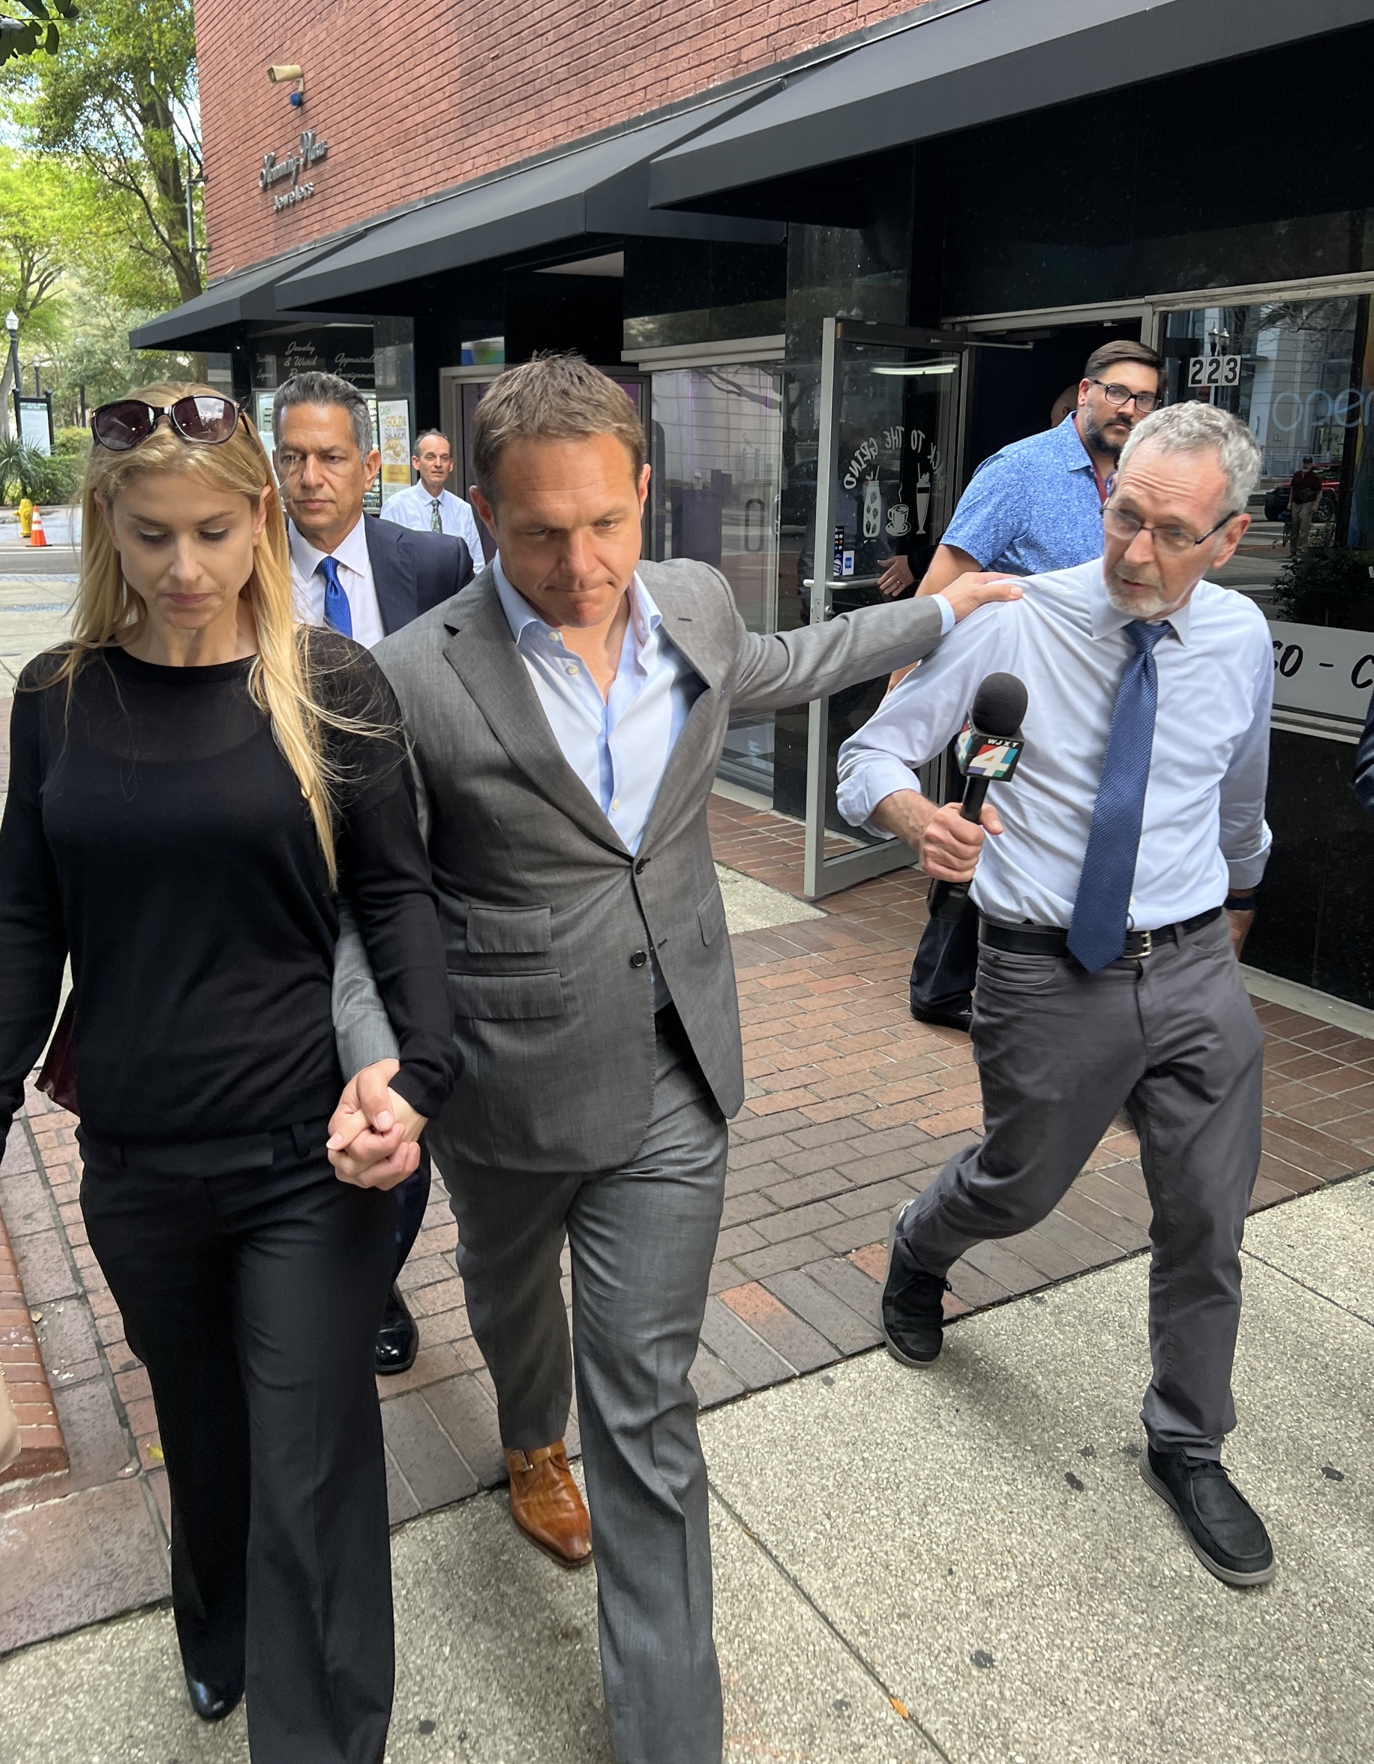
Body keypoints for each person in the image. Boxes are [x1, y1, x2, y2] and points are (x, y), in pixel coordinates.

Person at [333, 354, 1021, 1764]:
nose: (581, 565)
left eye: (605, 524)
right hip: (503, 1073)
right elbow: (365, 904)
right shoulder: (411, 677)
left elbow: (785, 666)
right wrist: (374, 1063)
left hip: (677, 1068)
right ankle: (529, 1439)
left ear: (646, 492)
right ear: (482, 512)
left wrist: (938, 612)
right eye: (538, 534)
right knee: (508, 1287)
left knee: (645, 1402)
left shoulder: (696, 598)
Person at [0, 383, 460, 1760]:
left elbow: (397, 899)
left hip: (305, 1159)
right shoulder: (60, 699)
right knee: (203, 1428)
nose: (185, 570)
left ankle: (321, 1736)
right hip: (138, 1167)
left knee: (309, 1457)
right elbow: (28, 922)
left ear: (262, 518)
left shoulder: (332, 686)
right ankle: (213, 1631)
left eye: (214, 532)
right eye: (152, 537)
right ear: (109, 526)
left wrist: (419, 1076)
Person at [839, 400, 1276, 1590]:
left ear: (1228, 538)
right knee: (1019, 1184)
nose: (1136, 552)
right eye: (1123, 514)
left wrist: (1235, 907)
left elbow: (1239, 796)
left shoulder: (1238, 638)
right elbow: (864, 756)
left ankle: (1187, 1438)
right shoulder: (1016, 628)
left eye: (1172, 532)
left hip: (1190, 964)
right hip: (1043, 967)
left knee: (1207, 1214)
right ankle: (922, 1248)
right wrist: (913, 815)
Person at [273, 369, 473, 1375]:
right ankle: (323, 1269)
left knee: (401, 1087)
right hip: (285, 877)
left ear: (371, 463)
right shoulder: (240, 563)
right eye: (294, 456)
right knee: (313, 1084)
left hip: (404, 868)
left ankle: (374, 1270)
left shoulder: (433, 563)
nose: (312, 476)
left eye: (332, 455)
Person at [902, 340, 1165, 1030]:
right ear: (1085, 390)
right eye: (1117, 392)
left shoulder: (1137, 484)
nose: (1129, 409)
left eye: (1144, 398)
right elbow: (939, 589)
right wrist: (901, 703)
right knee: (985, 825)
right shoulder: (1021, 471)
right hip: (1006, 713)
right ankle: (938, 983)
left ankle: (999, 981)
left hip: (1095, 710)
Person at [379, 429, 486, 573]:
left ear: (451, 465)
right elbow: (385, 564)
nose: (438, 464)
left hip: (458, 594)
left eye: (444, 458)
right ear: (416, 463)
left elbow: (477, 566)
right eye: (430, 457)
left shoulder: (462, 510)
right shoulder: (396, 507)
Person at [1287, 455, 1322, 555]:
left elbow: (1319, 492)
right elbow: (1292, 489)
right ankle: (1292, 550)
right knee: (1294, 527)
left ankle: (1300, 548)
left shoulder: (1314, 477)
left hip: (1307, 503)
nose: (1305, 465)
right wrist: (1290, 502)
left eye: (1308, 463)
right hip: (1296, 503)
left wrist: (1316, 504)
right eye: (1304, 463)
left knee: (1304, 527)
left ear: (1311, 464)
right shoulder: (1297, 475)